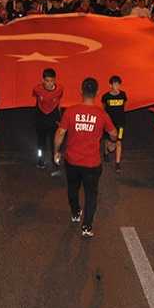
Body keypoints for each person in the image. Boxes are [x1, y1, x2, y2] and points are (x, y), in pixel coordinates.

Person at [53, 77, 118, 238]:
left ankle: (75, 213)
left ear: (81, 91)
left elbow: (60, 132)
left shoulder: (71, 111)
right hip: (92, 163)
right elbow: (114, 133)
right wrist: (111, 143)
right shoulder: (101, 114)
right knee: (91, 194)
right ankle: (87, 226)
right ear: (96, 93)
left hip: (72, 161)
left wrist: (56, 150)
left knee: (72, 188)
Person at [33, 68, 64, 175]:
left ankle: (55, 161)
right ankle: (40, 160)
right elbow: (37, 101)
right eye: (47, 81)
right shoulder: (37, 89)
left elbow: (59, 103)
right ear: (43, 80)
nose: (49, 83)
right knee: (41, 142)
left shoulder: (60, 89)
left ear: (54, 80)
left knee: (55, 142)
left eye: (51, 81)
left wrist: (60, 119)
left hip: (53, 118)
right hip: (40, 118)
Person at [101, 75, 127, 172]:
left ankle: (117, 163)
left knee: (119, 142)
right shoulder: (106, 97)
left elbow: (125, 107)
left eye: (118, 84)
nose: (117, 86)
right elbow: (103, 109)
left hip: (120, 124)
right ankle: (106, 153)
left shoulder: (123, 95)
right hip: (109, 124)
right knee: (107, 140)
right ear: (110, 85)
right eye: (114, 84)